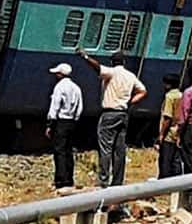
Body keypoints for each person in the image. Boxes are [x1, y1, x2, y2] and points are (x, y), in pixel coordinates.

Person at [76, 50, 147, 189]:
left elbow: (97, 67)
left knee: (105, 148)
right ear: (124, 62)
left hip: (109, 114)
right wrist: (130, 102)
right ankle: (118, 181)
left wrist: (85, 56)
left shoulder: (112, 72)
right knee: (119, 149)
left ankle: (103, 180)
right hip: (123, 114)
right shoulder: (130, 75)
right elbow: (143, 91)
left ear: (113, 62)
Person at [46, 63, 83, 192]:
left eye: (57, 73)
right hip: (72, 122)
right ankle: (69, 178)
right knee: (68, 150)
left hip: (61, 121)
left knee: (59, 151)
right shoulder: (76, 88)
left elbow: (55, 106)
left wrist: (50, 123)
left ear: (61, 74)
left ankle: (60, 180)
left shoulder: (59, 87)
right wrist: (76, 119)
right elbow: (80, 108)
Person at [156, 73, 183, 179]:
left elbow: (167, 117)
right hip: (179, 130)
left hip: (169, 132)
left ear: (168, 85)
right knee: (176, 160)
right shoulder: (182, 95)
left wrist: (161, 135)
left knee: (165, 159)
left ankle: (164, 182)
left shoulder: (169, 97)